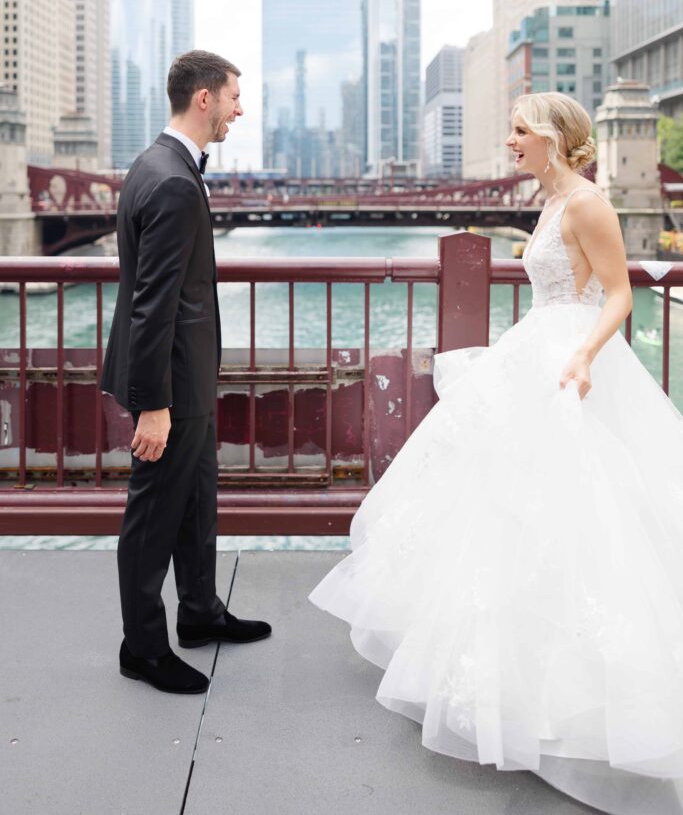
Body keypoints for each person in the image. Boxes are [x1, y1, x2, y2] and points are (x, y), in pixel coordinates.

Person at [310, 92, 683, 814]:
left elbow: (617, 296)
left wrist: (582, 357)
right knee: (499, 514)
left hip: (568, 364)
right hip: (532, 354)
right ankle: (505, 680)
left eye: (518, 130)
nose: (508, 140)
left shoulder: (585, 204)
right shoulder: (547, 203)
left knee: (580, 519)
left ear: (551, 138)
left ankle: (574, 700)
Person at [101, 50, 271, 695]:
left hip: (188, 380)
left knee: (198, 503)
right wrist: (153, 403)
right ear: (204, 98)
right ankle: (142, 647)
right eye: (233, 96)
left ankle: (199, 613)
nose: (239, 108)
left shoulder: (155, 164)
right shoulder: (172, 179)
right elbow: (155, 300)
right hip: (170, 384)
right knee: (153, 517)